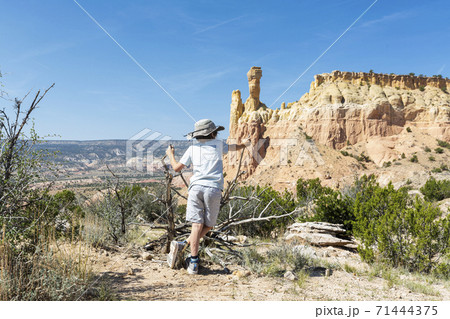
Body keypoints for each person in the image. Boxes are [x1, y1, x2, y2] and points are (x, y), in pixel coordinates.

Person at [165, 119, 247, 274]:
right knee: (209, 224)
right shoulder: (219, 145)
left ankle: (191, 258)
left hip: (195, 188)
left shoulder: (192, 149)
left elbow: (176, 168)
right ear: (212, 133)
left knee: (196, 226)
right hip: (214, 189)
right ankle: (188, 250)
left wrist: (171, 154)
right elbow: (234, 148)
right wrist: (245, 144)